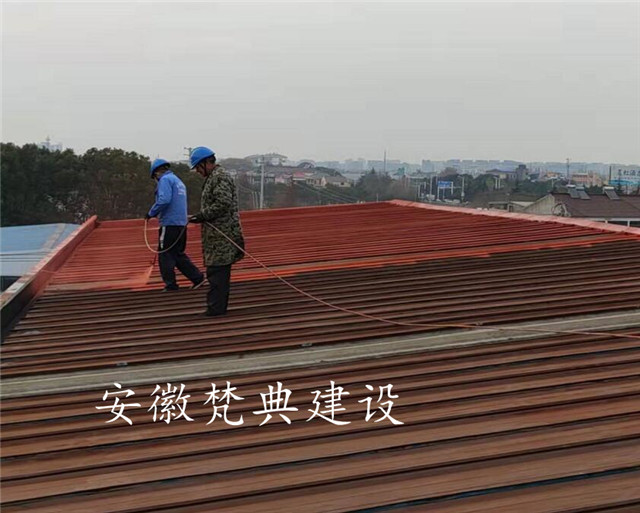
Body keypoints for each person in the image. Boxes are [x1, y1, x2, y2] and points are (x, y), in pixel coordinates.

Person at [188, 147, 245, 316]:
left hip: (222, 235)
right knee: (216, 272)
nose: (197, 171)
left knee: (217, 273)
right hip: (216, 236)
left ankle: (216, 309)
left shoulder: (220, 177)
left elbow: (222, 203)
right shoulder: (214, 177)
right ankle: (216, 307)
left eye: (198, 167)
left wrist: (202, 216)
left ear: (207, 163)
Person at [146, 158, 205, 292]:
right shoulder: (178, 181)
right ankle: (198, 278)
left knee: (165, 254)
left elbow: (164, 200)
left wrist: (151, 213)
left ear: (156, 173)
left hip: (169, 223)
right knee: (177, 254)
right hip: (181, 224)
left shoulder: (165, 180)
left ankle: (170, 285)